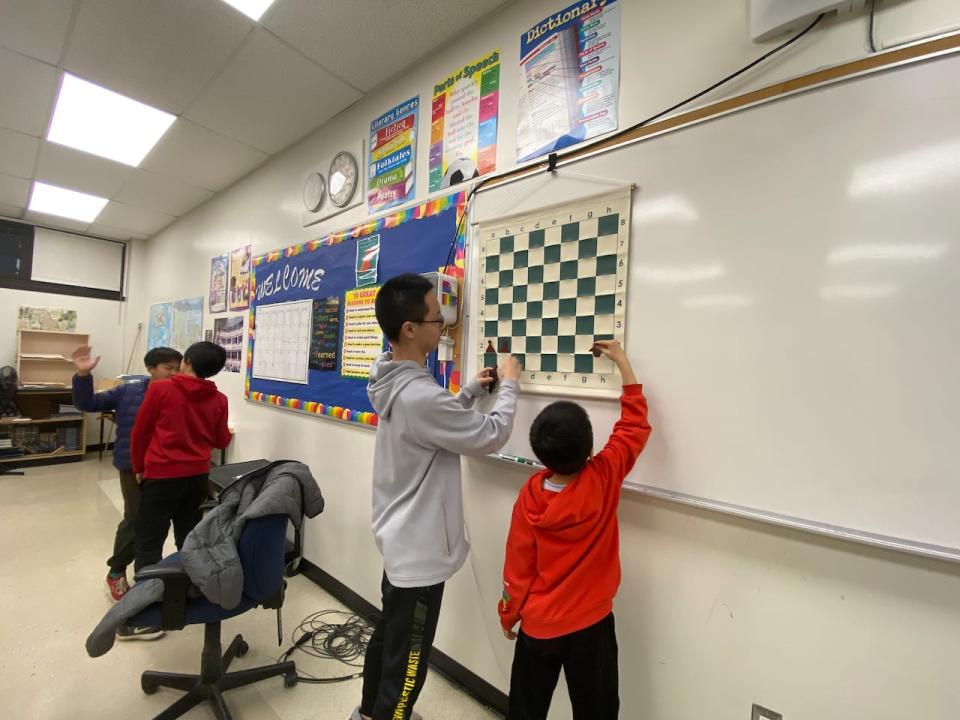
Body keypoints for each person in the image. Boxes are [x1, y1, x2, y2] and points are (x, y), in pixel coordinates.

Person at [351, 273, 521, 720]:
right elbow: (491, 434)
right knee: (409, 662)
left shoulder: (392, 380)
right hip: (420, 554)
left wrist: (466, 393)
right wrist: (511, 382)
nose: (443, 323)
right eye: (436, 317)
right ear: (409, 328)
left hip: (400, 543)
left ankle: (370, 714)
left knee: (389, 636)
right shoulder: (420, 396)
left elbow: (432, 424)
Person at [498, 340, 652, 720]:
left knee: (526, 709)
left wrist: (508, 613)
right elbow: (634, 426)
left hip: (539, 626)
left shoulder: (531, 497)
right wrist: (623, 363)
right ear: (589, 448)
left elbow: (518, 569)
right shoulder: (604, 476)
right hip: (592, 624)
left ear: (539, 453)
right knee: (597, 710)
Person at [71, 345, 182, 604]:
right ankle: (116, 571)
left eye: (178, 368)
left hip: (166, 468)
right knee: (135, 519)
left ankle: (150, 575)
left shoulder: (179, 392)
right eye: (169, 368)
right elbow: (87, 403)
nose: (174, 374)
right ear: (151, 369)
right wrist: (83, 376)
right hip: (133, 466)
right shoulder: (128, 390)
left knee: (157, 523)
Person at [130, 341, 231, 577]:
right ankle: (188, 586)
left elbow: (140, 433)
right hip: (197, 477)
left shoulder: (160, 389)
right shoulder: (219, 399)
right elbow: (221, 441)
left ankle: (147, 595)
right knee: (189, 535)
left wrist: (138, 466)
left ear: (186, 362)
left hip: (161, 474)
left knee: (149, 538)